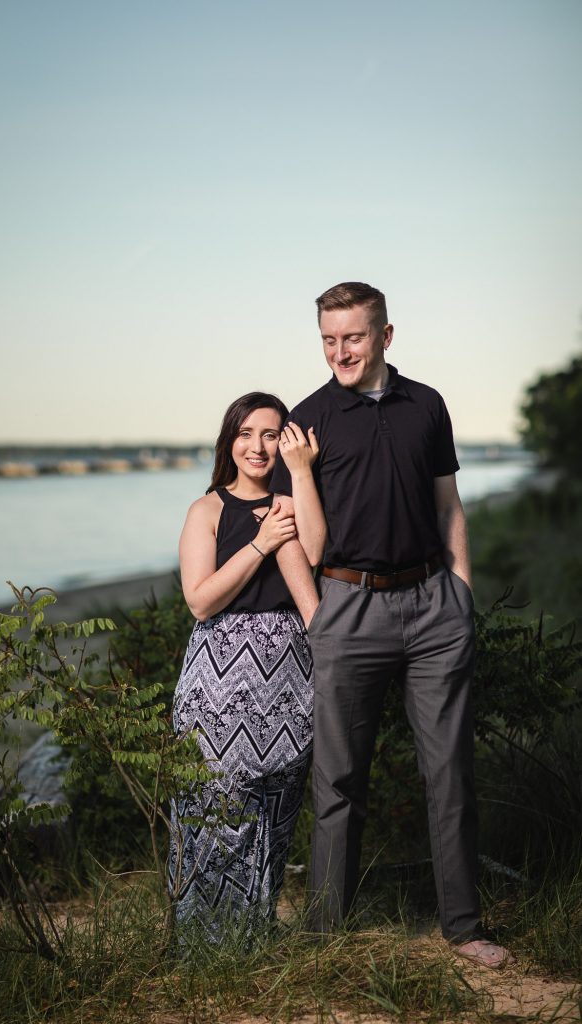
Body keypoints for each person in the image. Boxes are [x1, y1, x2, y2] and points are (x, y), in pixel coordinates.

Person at [270, 281, 512, 968]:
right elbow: (302, 540)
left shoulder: (426, 405)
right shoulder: (307, 418)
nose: (339, 351)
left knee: (450, 773)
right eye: (327, 338)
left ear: (384, 335)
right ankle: (323, 935)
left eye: (351, 336)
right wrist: (321, 615)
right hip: (348, 608)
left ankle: (463, 929)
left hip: (432, 605)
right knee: (338, 782)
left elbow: (447, 504)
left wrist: (461, 592)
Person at [169, 391, 322, 942]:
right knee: (213, 802)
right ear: (228, 441)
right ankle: (201, 939)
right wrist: (260, 544)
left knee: (277, 805)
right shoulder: (206, 510)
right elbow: (201, 600)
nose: (258, 447)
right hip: (220, 675)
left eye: (271, 434)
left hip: (289, 671)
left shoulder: (290, 502)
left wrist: (300, 478)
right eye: (246, 434)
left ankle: (252, 934)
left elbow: (319, 551)